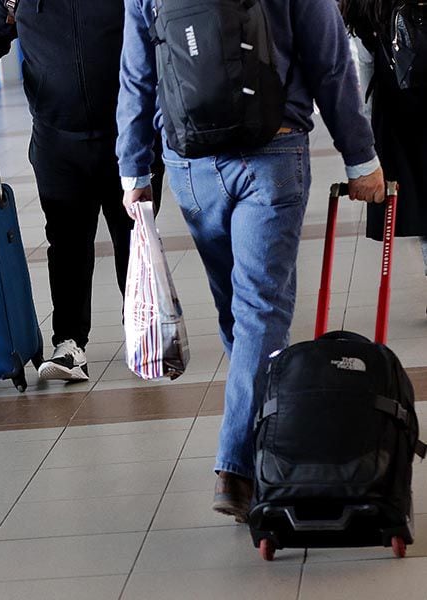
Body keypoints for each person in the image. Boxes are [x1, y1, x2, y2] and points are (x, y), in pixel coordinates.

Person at [118, 0, 385, 521]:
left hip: (191, 160)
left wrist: (135, 169)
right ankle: (238, 466)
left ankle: (259, 437)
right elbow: (329, 59)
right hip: (273, 150)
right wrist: (361, 157)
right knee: (259, 312)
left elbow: (136, 72)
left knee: (241, 316)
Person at [0, 1, 165, 383]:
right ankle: (69, 344)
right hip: (57, 141)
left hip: (130, 139)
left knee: (136, 241)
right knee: (67, 244)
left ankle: (145, 334)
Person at [341, 0, 427, 311]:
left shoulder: (368, 6)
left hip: (397, 114)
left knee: (422, 203)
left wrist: (365, 138)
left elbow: (364, 66)